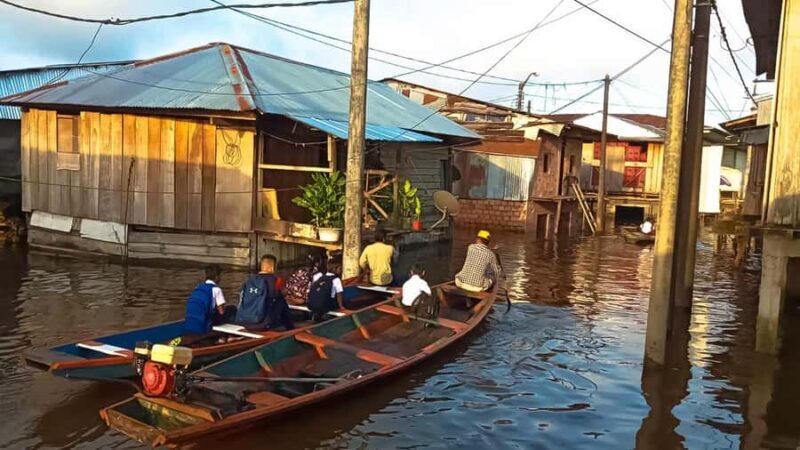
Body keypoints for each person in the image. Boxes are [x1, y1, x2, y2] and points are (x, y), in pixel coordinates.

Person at [235, 255, 293, 330]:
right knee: (281, 301)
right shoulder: (276, 280)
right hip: (262, 324)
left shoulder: (250, 280)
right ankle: (290, 328)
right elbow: (280, 299)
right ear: (272, 267)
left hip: (242, 320)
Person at [184, 265, 235, 337]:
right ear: (217, 277)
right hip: (204, 326)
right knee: (232, 309)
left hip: (189, 323)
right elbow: (221, 312)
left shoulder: (198, 287)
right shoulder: (216, 289)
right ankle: (228, 334)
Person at [307, 257, 345, 321]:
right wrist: (341, 307)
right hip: (328, 304)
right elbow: (339, 295)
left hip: (312, 304)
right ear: (334, 269)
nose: (341, 270)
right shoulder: (336, 279)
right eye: (340, 268)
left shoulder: (319, 276)